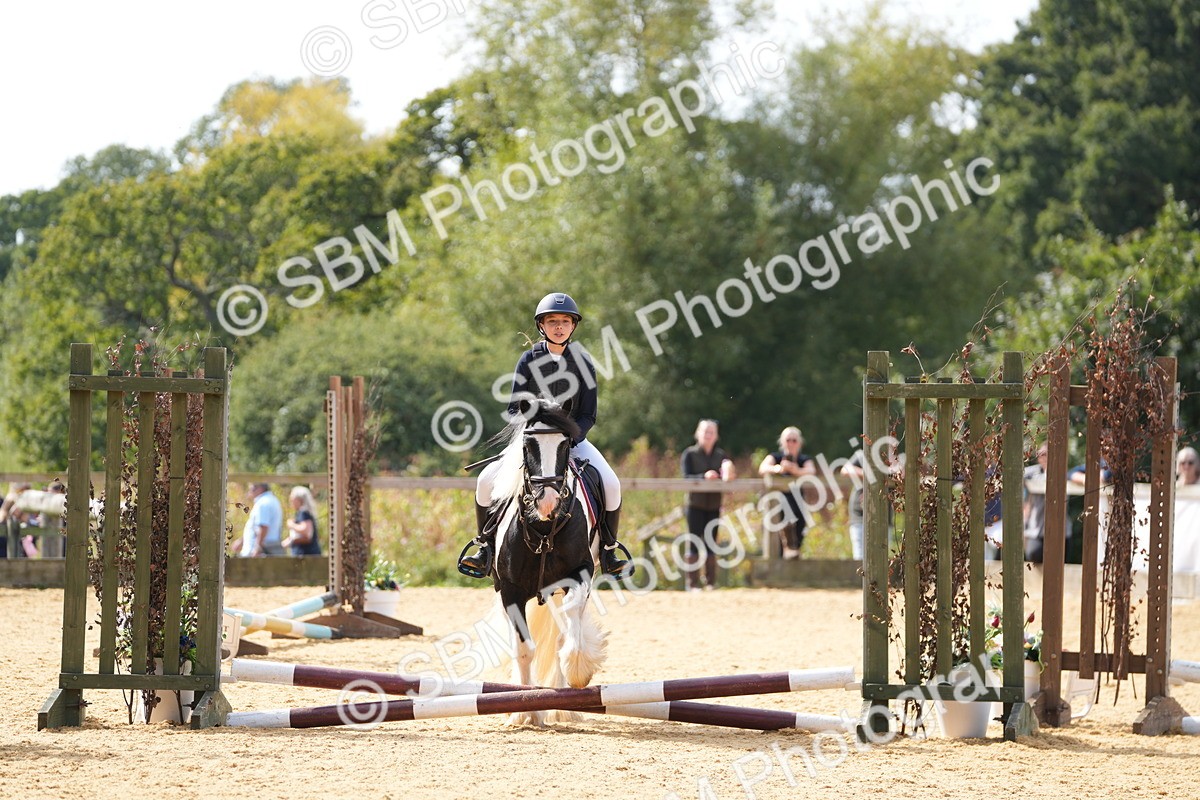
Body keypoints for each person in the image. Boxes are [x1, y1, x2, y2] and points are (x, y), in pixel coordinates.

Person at [459, 292, 631, 578]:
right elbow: (514, 409)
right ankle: (485, 547)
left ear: (573, 325)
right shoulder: (528, 360)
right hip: (533, 443)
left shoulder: (583, 362)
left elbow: (588, 414)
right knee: (485, 480)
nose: (559, 326)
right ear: (542, 325)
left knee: (611, 483)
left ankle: (609, 550)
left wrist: (569, 438)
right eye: (553, 321)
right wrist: (536, 427)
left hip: (572, 441)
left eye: (565, 321)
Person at [681, 419, 736, 591]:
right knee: (694, 541)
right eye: (705, 431)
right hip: (695, 505)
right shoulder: (689, 454)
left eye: (711, 432)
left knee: (711, 542)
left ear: (716, 435)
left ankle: (711, 582)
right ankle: (693, 583)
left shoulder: (721, 456)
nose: (708, 435)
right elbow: (686, 478)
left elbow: (729, 476)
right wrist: (704, 477)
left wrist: (729, 471)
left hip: (713, 505)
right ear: (698, 433)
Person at [758, 426, 815, 559]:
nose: (790, 443)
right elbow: (763, 468)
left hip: (798, 501)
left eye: (794, 440)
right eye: (788, 440)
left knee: (800, 524)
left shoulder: (803, 459)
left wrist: (796, 470)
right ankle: (787, 549)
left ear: (799, 443)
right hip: (777, 502)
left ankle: (793, 549)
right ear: (782, 442)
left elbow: (811, 470)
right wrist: (778, 469)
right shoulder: (775, 457)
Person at [233, 483, 284, 557]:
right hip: (268, 550)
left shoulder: (263, 503)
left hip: (261, 552)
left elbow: (263, 527)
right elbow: (256, 528)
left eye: (251, 488)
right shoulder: (272, 500)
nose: (249, 491)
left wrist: (257, 549)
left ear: (260, 488)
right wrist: (241, 541)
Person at [281, 486, 322, 556]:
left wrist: (292, 525)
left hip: (307, 555)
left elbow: (306, 531)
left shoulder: (304, 513)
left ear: (299, 500)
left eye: (292, 499)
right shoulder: (301, 513)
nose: (291, 501)